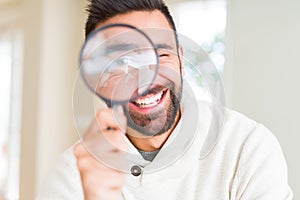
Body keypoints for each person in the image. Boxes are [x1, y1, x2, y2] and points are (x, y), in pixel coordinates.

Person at [37, 0, 293, 199]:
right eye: (122, 62)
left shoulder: (247, 149)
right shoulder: (71, 177)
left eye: (160, 53)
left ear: (181, 60)